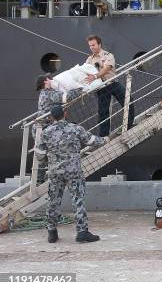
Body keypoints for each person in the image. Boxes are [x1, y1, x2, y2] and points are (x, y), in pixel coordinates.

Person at [36, 105, 106, 243]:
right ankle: (82, 232)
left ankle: (52, 232)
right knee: (78, 200)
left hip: (55, 172)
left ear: (51, 117)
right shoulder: (75, 129)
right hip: (74, 171)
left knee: (53, 201)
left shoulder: (46, 132)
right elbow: (91, 141)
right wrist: (105, 140)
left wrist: (50, 162)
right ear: (65, 114)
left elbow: (39, 155)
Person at [33, 75, 83, 183]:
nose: (51, 80)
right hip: (44, 129)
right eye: (49, 79)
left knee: (43, 155)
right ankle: (39, 181)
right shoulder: (49, 93)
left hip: (43, 128)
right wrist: (80, 88)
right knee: (44, 156)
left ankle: (39, 180)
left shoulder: (44, 93)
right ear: (45, 81)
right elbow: (66, 98)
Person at [84, 35, 134, 136]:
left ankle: (128, 126)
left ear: (99, 44)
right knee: (103, 113)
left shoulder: (108, 55)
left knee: (128, 102)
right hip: (101, 88)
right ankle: (104, 136)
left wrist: (95, 76)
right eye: (90, 45)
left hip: (113, 83)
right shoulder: (89, 60)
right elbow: (85, 72)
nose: (91, 47)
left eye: (93, 45)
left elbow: (107, 68)